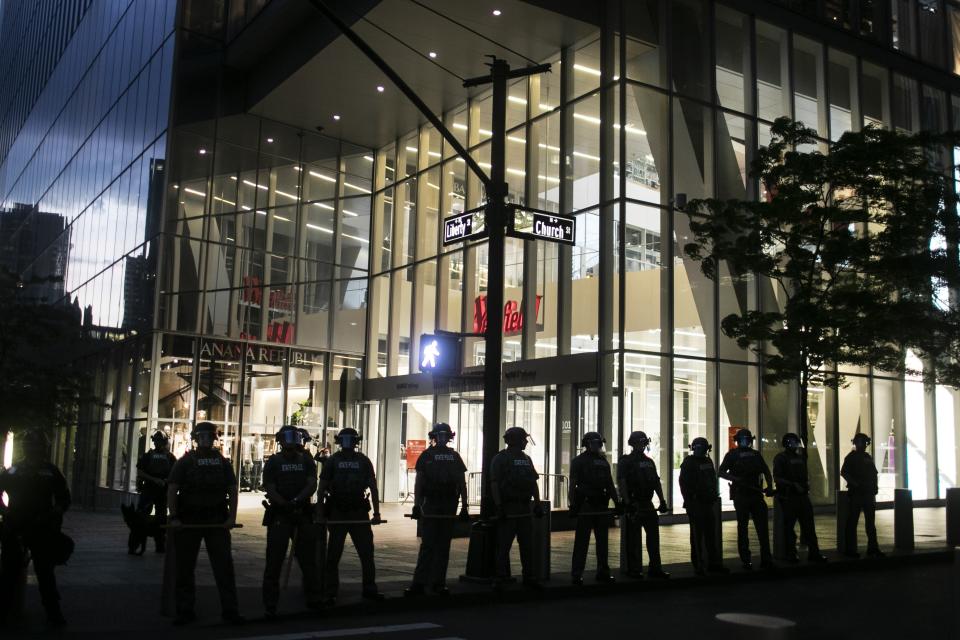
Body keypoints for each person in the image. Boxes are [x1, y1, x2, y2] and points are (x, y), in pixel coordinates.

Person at [166, 421, 242, 626]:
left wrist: (231, 518)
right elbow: (172, 489)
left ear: (214, 438)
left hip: (216, 520)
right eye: (203, 436)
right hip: (190, 519)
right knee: (184, 568)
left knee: (224, 567)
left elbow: (232, 490)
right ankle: (185, 609)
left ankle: (230, 610)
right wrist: (174, 516)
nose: (206, 440)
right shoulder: (185, 462)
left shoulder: (222, 462)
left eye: (209, 436)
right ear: (196, 438)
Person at [0, 430, 71, 626]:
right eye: (30, 446)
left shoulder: (50, 471)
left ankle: (53, 613)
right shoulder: (15, 470)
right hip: (16, 528)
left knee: (45, 574)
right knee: (9, 574)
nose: (33, 450)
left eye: (36, 446)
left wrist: (55, 514)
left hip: (41, 528)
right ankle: (5, 612)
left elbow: (64, 499)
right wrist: (6, 513)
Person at [317, 427, 384, 603]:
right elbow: (373, 488)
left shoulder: (334, 460)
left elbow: (321, 488)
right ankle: (364, 589)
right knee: (358, 553)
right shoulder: (361, 460)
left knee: (351, 553)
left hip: (349, 511)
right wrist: (376, 513)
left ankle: (332, 591)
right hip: (349, 511)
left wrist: (320, 513)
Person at [261, 426, 321, 618]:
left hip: (301, 513)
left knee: (308, 560)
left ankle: (313, 598)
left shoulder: (306, 460)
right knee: (274, 561)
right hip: (281, 514)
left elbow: (312, 484)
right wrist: (285, 504)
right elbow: (270, 487)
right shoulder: (274, 462)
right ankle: (270, 603)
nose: (291, 446)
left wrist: (295, 502)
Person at [405, 423, 469, 597]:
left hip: (442, 505)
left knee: (437, 546)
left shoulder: (430, 456)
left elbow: (461, 483)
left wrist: (464, 506)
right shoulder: (449, 456)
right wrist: (417, 505)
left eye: (444, 435)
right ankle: (427, 583)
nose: (442, 438)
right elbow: (420, 483)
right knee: (433, 546)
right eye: (440, 435)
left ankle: (429, 583)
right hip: (437, 505)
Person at [490, 426, 545, 590]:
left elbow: (533, 482)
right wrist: (499, 506)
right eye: (523, 439)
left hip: (523, 508)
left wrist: (537, 503)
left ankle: (529, 576)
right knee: (504, 546)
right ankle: (500, 577)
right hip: (509, 508)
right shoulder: (501, 459)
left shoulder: (526, 459)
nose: (526, 442)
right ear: (514, 440)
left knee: (527, 545)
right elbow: (494, 484)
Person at [718, 428, 774, 570]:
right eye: (743, 440)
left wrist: (770, 487)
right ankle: (747, 559)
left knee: (760, 529)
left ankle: (764, 558)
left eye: (746, 439)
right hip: (742, 494)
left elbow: (766, 471)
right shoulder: (733, 455)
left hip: (754, 494)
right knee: (744, 528)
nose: (745, 442)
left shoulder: (753, 454)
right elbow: (721, 472)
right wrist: (736, 479)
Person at [617, 431, 670, 579]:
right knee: (633, 539)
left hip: (647, 503)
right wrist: (627, 502)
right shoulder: (625, 461)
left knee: (654, 538)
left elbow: (655, 482)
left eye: (644, 442)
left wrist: (662, 500)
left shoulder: (649, 461)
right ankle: (634, 569)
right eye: (640, 442)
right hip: (634, 503)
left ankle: (655, 568)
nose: (642, 445)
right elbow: (622, 482)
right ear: (633, 444)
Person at [568, 432, 619, 585]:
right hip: (586, 505)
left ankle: (603, 571)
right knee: (582, 542)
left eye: (600, 443)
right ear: (588, 443)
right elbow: (573, 484)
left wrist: (617, 503)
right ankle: (577, 574)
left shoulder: (603, 461)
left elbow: (609, 484)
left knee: (602, 541)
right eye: (596, 442)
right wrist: (573, 504)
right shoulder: (578, 461)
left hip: (600, 505)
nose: (599, 446)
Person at [772, 433, 826, 563]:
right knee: (789, 528)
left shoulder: (800, 458)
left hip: (802, 496)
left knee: (809, 526)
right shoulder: (781, 458)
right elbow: (777, 477)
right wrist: (792, 484)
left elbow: (805, 476)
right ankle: (791, 554)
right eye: (793, 443)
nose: (795, 445)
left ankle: (814, 552)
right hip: (789, 496)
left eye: (796, 442)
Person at [679, 437, 728, 576]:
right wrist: (689, 500)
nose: (701, 451)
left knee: (710, 536)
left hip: (707, 503)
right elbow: (683, 483)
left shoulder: (708, 461)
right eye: (699, 448)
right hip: (696, 503)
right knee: (697, 536)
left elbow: (712, 479)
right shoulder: (689, 462)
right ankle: (698, 564)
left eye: (703, 448)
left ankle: (712, 563)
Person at [840, 432, 884, 558]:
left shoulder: (866, 457)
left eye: (864, 442)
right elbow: (844, 472)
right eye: (861, 442)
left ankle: (872, 548)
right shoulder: (852, 457)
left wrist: (874, 486)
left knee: (869, 523)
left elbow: (873, 474)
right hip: (857, 494)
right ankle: (851, 549)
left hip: (866, 493)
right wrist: (856, 484)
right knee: (854, 522)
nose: (863, 445)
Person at [135, 430, 177, 552]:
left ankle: (158, 544)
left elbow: (175, 474)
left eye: (160, 441)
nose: (158, 444)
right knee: (146, 517)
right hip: (153, 489)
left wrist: (164, 481)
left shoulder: (167, 457)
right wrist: (156, 480)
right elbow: (140, 472)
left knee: (159, 518)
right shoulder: (163, 456)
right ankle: (155, 544)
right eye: (157, 441)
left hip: (158, 489)